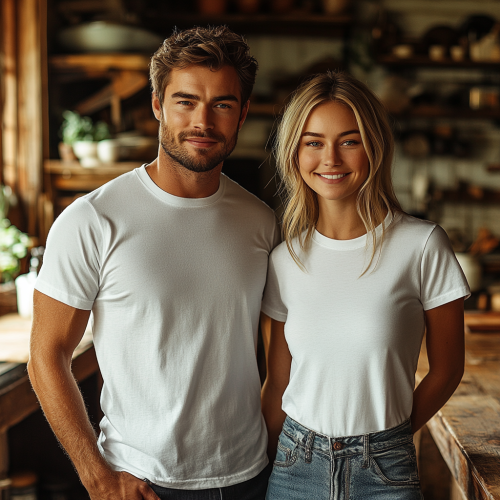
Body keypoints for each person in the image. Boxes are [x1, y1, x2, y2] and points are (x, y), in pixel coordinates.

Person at [28, 26, 279, 500]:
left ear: (242, 113)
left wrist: (266, 447)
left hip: (250, 478)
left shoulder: (261, 221)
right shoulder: (93, 219)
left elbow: (279, 354)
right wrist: (97, 477)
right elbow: (46, 357)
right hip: (139, 483)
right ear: (158, 105)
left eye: (222, 105)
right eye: (185, 101)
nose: (202, 121)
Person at [261, 71, 470, 500]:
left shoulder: (422, 245)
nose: (330, 159)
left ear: (374, 147)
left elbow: (447, 369)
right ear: (294, 153)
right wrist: (264, 463)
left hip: (385, 471)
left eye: (349, 141)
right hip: (293, 465)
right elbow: (278, 383)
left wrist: (388, 440)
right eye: (313, 142)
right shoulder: (285, 260)